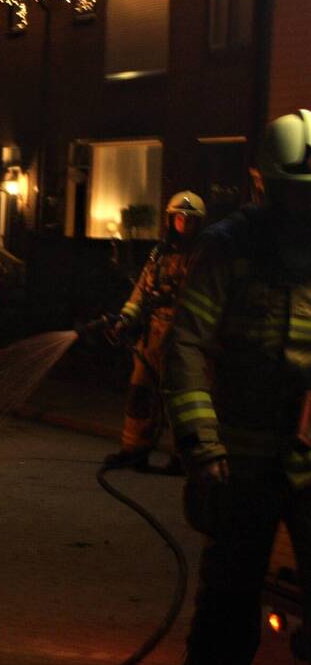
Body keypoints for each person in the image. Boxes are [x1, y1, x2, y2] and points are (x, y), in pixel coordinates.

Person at [163, 109, 311, 665]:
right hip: (240, 465)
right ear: (264, 183)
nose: (304, 207)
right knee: (226, 613)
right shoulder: (229, 248)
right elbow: (186, 345)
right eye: (294, 193)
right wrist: (201, 443)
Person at [104, 191, 206, 473]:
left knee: (182, 399)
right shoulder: (159, 254)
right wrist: (125, 318)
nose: (183, 223)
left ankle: (184, 458)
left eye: (190, 219)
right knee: (140, 393)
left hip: (185, 336)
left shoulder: (204, 257)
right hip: (153, 334)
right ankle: (134, 450)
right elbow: (140, 292)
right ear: (169, 220)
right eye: (178, 217)